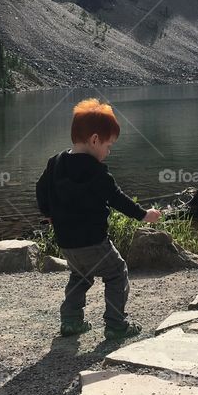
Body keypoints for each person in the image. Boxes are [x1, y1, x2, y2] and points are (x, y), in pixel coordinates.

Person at [35, 98, 162, 340]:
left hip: (66, 241)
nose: (109, 151)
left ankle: (71, 320)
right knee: (117, 273)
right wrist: (144, 215)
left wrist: (49, 213)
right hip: (94, 241)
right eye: (108, 145)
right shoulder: (98, 172)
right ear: (95, 140)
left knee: (80, 276)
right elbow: (118, 199)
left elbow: (41, 189)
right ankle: (116, 324)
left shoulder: (56, 162)